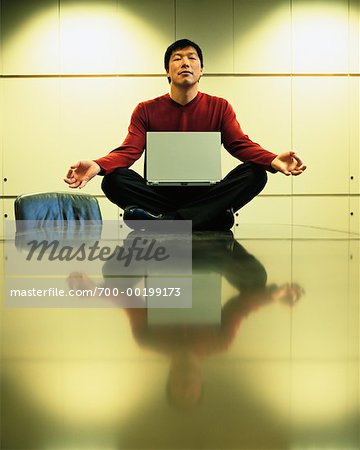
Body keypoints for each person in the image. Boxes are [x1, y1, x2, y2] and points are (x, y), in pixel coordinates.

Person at [64, 39, 306, 230]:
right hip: (160, 194)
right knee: (114, 179)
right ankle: (206, 218)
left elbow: (239, 144)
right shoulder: (146, 109)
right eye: (177, 59)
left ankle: (168, 221)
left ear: (201, 71)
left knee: (255, 173)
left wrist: (272, 159)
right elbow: (129, 152)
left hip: (205, 192)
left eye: (192, 58)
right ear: (167, 71)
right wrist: (97, 165)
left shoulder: (219, 106)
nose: (185, 63)